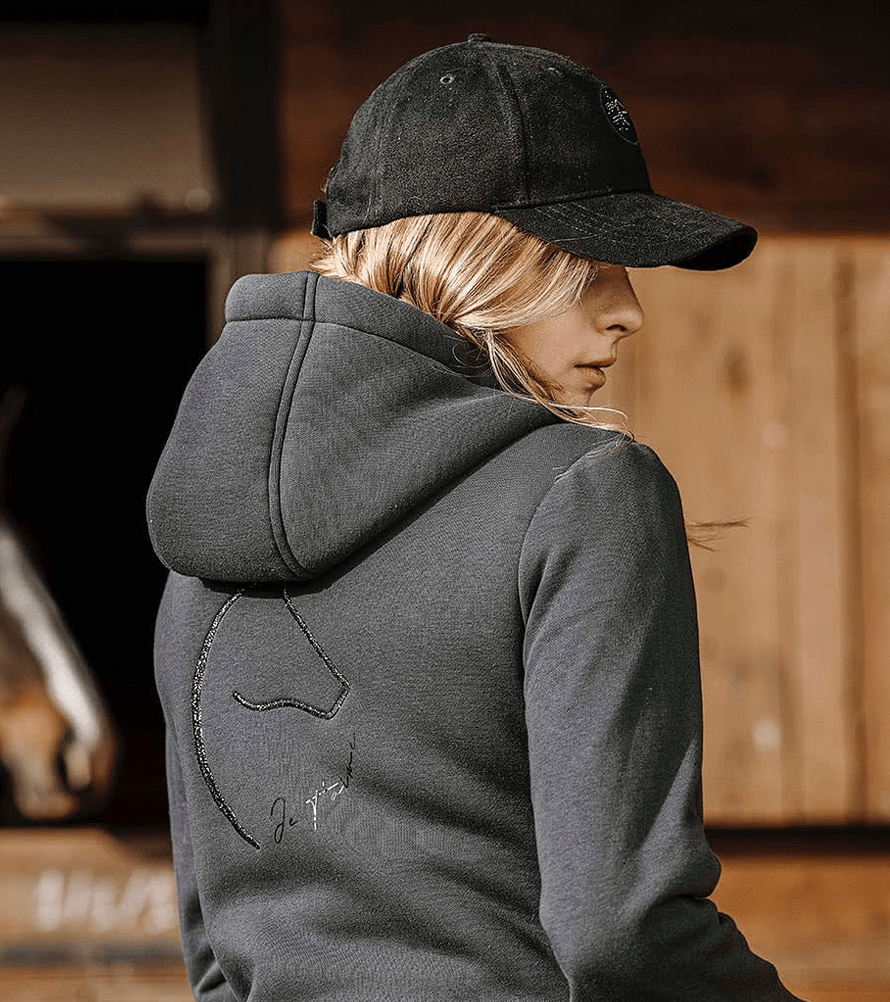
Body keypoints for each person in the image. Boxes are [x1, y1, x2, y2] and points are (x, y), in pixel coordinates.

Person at [147, 33, 805, 1001]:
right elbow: (626, 934)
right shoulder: (588, 497)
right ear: (480, 251)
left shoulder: (201, 542)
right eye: (591, 260)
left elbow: (214, 963)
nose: (630, 312)